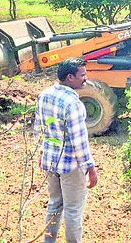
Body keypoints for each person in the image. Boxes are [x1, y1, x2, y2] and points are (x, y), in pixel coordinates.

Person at [34, 57, 98, 243]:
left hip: (50, 162)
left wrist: (40, 153)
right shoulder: (73, 103)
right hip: (70, 165)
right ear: (70, 77)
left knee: (54, 205)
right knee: (72, 210)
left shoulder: (44, 95)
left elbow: (39, 128)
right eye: (82, 75)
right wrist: (91, 168)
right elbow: (79, 141)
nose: (85, 78)